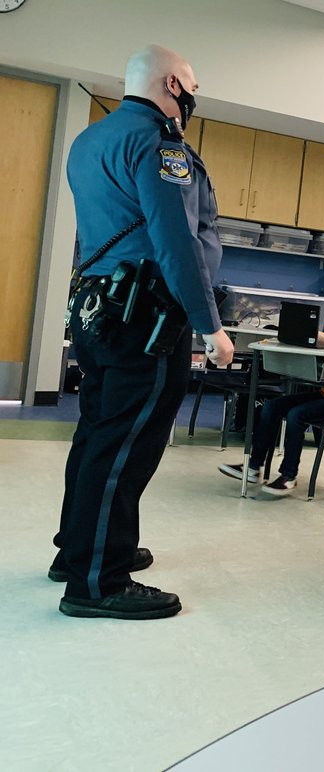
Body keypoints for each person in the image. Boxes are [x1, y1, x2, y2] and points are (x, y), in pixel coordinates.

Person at [53, 45, 234, 621]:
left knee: (97, 435)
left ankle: (80, 551)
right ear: (173, 84)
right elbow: (175, 239)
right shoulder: (160, 145)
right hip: (147, 318)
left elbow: (93, 233)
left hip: (99, 308)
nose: (194, 96)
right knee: (126, 445)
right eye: (193, 84)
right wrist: (210, 325)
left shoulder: (91, 140)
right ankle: (97, 582)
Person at [219, 299, 324, 493]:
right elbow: (316, 337)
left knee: (296, 414)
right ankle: (252, 467)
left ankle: (288, 476)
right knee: (272, 406)